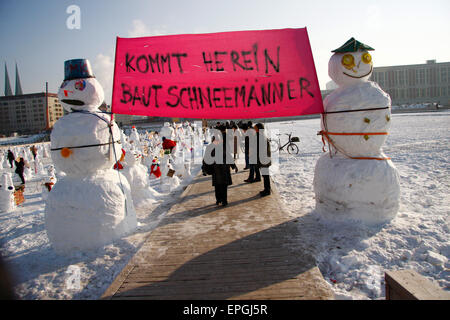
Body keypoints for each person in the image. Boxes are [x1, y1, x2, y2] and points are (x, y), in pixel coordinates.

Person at [203, 126, 237, 206]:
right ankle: (219, 200)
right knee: (218, 186)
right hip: (217, 170)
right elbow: (205, 159)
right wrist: (204, 168)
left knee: (223, 186)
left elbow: (228, 157)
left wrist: (233, 165)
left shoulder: (223, 147)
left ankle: (224, 200)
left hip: (223, 170)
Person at [255, 123, 272, 196]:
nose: (254, 129)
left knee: (266, 176)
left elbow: (260, 149)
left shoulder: (261, 137)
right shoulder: (261, 136)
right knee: (265, 176)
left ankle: (267, 190)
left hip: (264, 159)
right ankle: (266, 189)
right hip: (264, 159)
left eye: (255, 128)